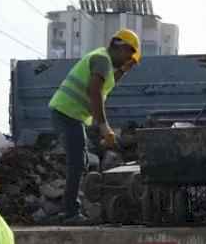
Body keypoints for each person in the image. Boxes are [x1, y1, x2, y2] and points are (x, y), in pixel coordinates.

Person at [47, 29, 142, 223]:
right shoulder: (102, 60)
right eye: (129, 53)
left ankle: (69, 210)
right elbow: (95, 92)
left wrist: (124, 70)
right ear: (119, 46)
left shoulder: (103, 60)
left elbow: (108, 82)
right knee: (77, 163)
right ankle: (71, 213)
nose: (128, 58)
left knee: (79, 160)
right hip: (67, 113)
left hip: (69, 114)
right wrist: (104, 126)